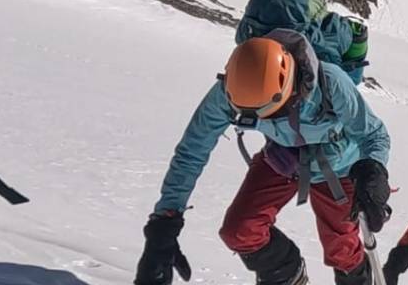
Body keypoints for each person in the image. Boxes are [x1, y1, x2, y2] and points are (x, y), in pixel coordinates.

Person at [133, 30, 391, 285]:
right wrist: (164, 224)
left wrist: (373, 171)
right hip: (284, 159)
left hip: (341, 166)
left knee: (341, 251)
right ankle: (287, 276)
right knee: (240, 231)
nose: (262, 118)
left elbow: (374, 134)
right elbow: (192, 150)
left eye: (269, 112)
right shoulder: (230, 90)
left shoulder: (331, 82)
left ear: (289, 87)